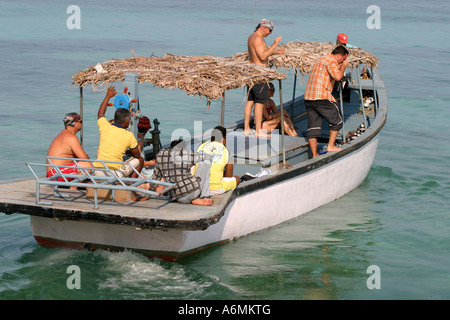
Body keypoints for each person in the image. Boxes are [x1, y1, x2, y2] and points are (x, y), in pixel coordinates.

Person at [304, 45, 350, 158]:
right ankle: (331, 145)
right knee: (337, 120)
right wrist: (343, 66)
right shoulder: (331, 61)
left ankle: (314, 154)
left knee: (313, 127)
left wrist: (339, 65)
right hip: (321, 96)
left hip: (309, 97)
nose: (343, 61)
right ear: (339, 56)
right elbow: (338, 77)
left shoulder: (321, 59)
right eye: (343, 59)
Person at [137, 139, 213, 206]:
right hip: (193, 193)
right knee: (206, 162)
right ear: (182, 148)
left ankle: (192, 200)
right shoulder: (185, 153)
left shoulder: (161, 155)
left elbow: (155, 180)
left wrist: (146, 196)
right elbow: (208, 157)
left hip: (176, 198)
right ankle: (204, 196)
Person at [244, 18, 285, 137]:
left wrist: (276, 52)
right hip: (259, 74)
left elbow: (260, 53)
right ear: (264, 28)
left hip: (252, 72)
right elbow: (262, 57)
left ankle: (247, 128)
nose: (271, 33)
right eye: (270, 30)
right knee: (259, 103)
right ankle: (258, 131)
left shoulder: (251, 37)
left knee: (250, 101)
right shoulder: (258, 38)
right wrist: (275, 44)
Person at [94, 86, 144, 178]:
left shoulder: (105, 127)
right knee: (140, 160)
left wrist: (108, 96)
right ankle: (129, 187)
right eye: (129, 120)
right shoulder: (128, 135)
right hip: (113, 174)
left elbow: (100, 113)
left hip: (98, 171)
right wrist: (130, 151)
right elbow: (137, 155)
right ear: (126, 122)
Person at [46, 112, 92, 186]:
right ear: (75, 123)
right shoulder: (71, 137)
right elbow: (84, 158)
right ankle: (73, 189)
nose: (81, 124)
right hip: (55, 175)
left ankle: (72, 186)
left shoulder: (63, 134)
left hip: (53, 173)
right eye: (81, 122)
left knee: (84, 165)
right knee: (87, 166)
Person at [195, 126, 240, 195]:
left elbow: (192, 164)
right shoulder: (228, 152)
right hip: (214, 189)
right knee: (237, 178)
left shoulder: (200, 146)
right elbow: (228, 176)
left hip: (196, 187)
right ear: (224, 138)